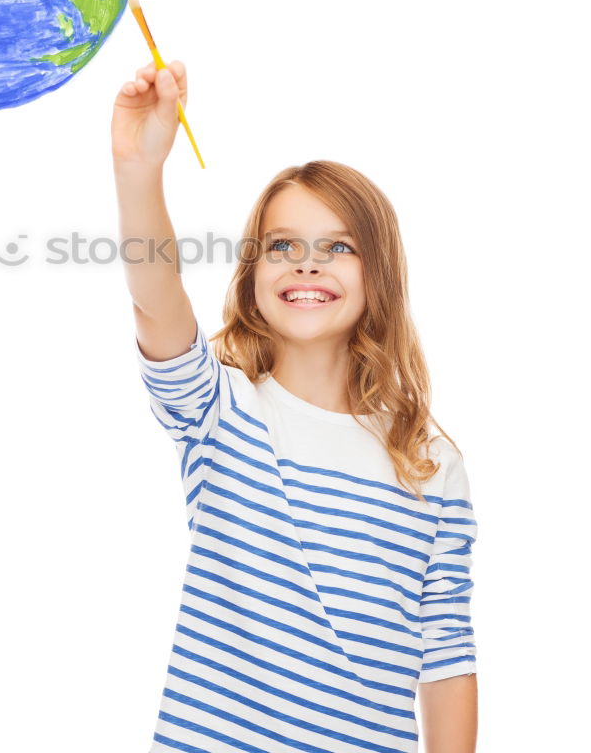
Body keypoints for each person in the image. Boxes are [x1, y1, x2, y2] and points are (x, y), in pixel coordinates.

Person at [112, 60, 479, 753]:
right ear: (252, 275)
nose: (307, 265)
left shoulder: (430, 464)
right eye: (283, 246)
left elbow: (447, 653)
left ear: (381, 276)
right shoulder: (218, 410)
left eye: (337, 247)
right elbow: (153, 299)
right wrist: (139, 169)